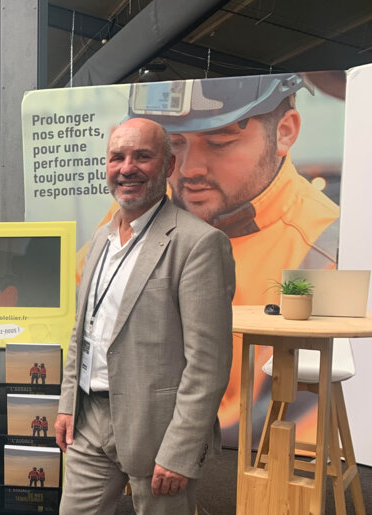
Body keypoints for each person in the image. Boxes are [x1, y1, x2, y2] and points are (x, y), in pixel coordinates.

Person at [53, 118, 234, 515]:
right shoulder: (103, 236)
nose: (126, 169)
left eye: (141, 157)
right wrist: (68, 402)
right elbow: (82, 330)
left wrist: (179, 450)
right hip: (90, 418)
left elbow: (207, 363)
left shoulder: (199, 244)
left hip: (158, 427)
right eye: (117, 158)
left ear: (168, 166)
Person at [78, 74, 339, 433]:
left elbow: (293, 417)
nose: (188, 169)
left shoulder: (323, 250)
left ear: (284, 132)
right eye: (175, 144)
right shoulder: (138, 213)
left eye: (219, 143)